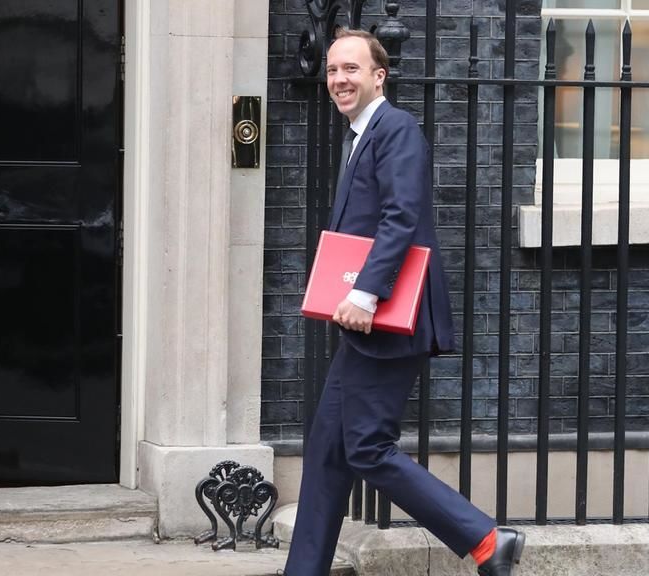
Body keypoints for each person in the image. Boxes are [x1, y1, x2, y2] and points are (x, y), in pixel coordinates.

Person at [282, 28, 525, 576]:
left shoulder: (396, 128)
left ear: (378, 76)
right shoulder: (361, 135)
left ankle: (486, 538)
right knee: (327, 448)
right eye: (332, 71)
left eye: (351, 69)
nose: (339, 79)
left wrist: (364, 293)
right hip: (368, 327)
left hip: (389, 321)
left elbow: (401, 216)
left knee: (366, 447)